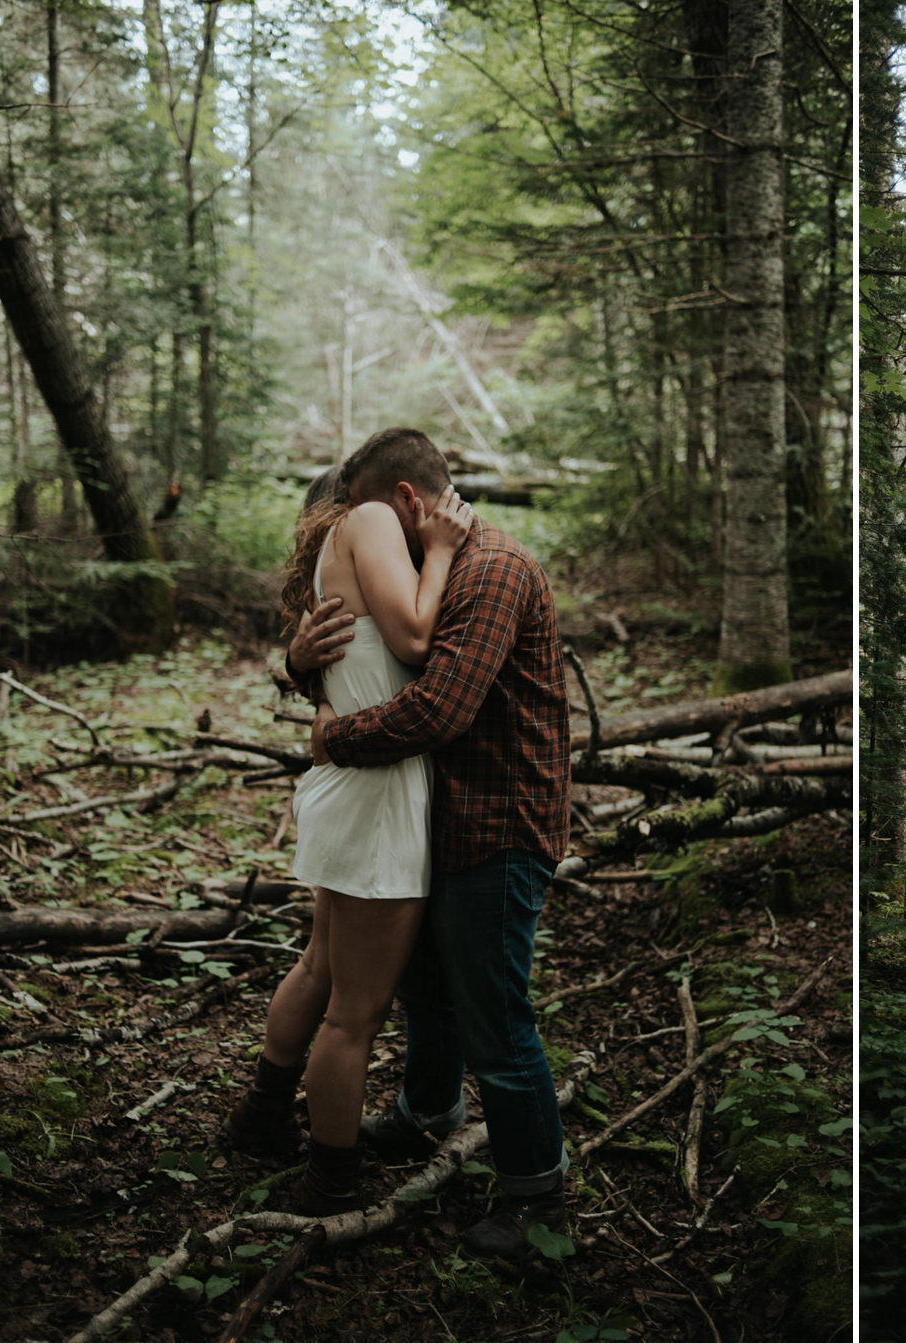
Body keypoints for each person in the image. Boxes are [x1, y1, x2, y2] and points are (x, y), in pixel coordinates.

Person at [287, 427, 573, 1259]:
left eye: (375, 520)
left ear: (407, 503)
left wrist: (333, 737)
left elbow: (437, 706)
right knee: (428, 989)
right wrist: (300, 660)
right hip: (435, 822)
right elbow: (369, 649)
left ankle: (537, 1198)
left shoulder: (492, 570)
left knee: (495, 1016)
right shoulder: (436, 567)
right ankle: (426, 1113)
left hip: (500, 827)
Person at [224, 444, 475, 1215]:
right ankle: (328, 1181)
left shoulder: (337, 549)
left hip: (347, 785)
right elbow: (414, 642)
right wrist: (438, 553)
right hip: (376, 795)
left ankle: (261, 1115)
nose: (429, 514)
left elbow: (354, 660)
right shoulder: (370, 520)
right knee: (354, 1011)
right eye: (423, 507)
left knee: (320, 966)